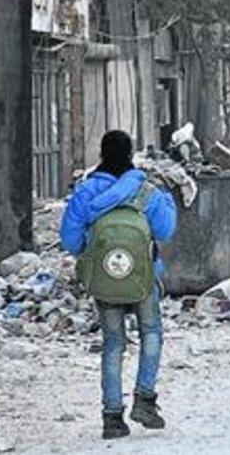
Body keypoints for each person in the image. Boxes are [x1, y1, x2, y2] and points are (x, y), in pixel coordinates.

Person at [60, 130, 178, 440]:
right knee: (151, 332)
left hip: (105, 280)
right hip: (143, 278)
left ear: (101, 153)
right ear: (130, 155)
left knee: (113, 344)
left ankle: (112, 417)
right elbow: (165, 231)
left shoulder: (86, 193)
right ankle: (145, 399)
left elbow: (70, 241)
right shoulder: (145, 190)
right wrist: (166, 200)